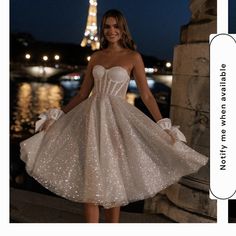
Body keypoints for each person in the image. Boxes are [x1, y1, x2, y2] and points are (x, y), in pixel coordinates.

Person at [20, 9, 208, 223]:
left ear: (122, 29)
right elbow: (83, 93)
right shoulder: (96, 56)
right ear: (102, 30)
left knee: (112, 179)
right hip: (92, 120)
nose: (111, 31)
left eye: (115, 26)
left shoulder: (133, 57)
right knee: (91, 180)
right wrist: (57, 116)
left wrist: (163, 125)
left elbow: (146, 95)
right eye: (107, 26)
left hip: (117, 123)